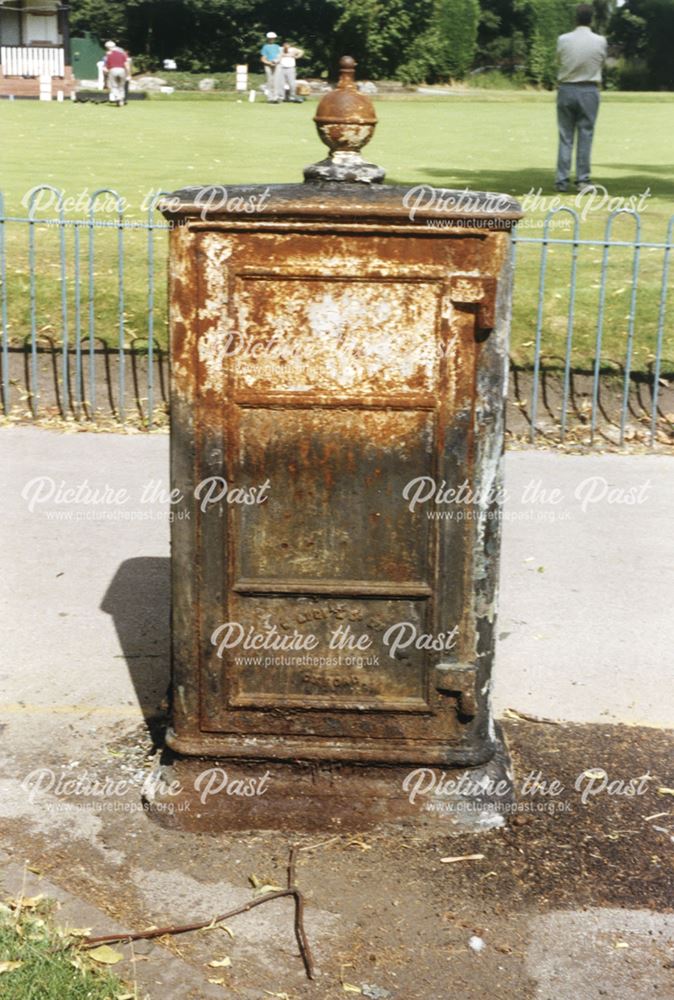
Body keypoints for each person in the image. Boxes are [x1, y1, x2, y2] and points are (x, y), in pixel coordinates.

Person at [555, 5, 607, 193]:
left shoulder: (563, 39)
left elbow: (560, 61)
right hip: (589, 89)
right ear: (591, 19)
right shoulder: (600, 41)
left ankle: (561, 180)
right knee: (586, 135)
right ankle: (583, 180)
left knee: (565, 137)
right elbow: (601, 62)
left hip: (567, 88)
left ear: (575, 19)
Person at [103, 40, 131, 107]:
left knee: (114, 86)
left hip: (113, 70)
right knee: (121, 86)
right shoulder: (122, 53)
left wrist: (105, 78)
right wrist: (129, 74)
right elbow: (127, 64)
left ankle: (118, 97)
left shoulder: (109, 55)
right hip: (122, 70)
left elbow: (105, 68)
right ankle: (121, 99)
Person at [260, 31, 282, 104]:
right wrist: (269, 63)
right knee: (270, 81)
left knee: (276, 81)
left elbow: (280, 56)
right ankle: (270, 98)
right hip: (268, 65)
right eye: (270, 38)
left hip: (277, 64)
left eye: (273, 38)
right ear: (268, 39)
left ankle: (276, 97)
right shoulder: (265, 47)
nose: (271, 39)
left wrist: (276, 62)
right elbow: (263, 58)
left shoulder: (277, 46)